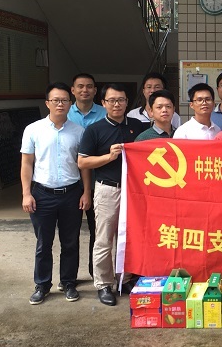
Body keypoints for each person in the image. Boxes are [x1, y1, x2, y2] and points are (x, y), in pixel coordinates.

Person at [21, 82, 91, 305]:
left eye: (64, 100)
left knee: (70, 242)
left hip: (72, 193)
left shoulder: (79, 132)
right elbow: (26, 163)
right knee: (44, 243)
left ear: (70, 103)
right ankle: (42, 285)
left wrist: (86, 192)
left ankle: (68, 283)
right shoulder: (33, 130)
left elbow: (84, 166)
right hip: (42, 194)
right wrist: (26, 194)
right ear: (47, 103)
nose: (60, 104)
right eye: (56, 100)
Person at [78, 83, 145, 306]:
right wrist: (108, 157)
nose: (117, 104)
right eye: (112, 100)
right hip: (108, 189)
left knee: (129, 237)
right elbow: (83, 162)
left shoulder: (137, 126)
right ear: (103, 103)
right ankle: (104, 284)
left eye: (121, 100)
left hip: (133, 190)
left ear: (127, 102)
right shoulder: (94, 129)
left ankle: (125, 278)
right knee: (104, 238)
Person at [67, 73, 106, 280]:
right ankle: (69, 277)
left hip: (98, 181)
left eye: (89, 86)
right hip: (71, 182)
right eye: (80, 86)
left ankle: (94, 272)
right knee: (70, 233)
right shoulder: (64, 113)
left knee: (96, 230)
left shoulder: (105, 113)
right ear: (72, 90)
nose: (85, 90)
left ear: (95, 90)